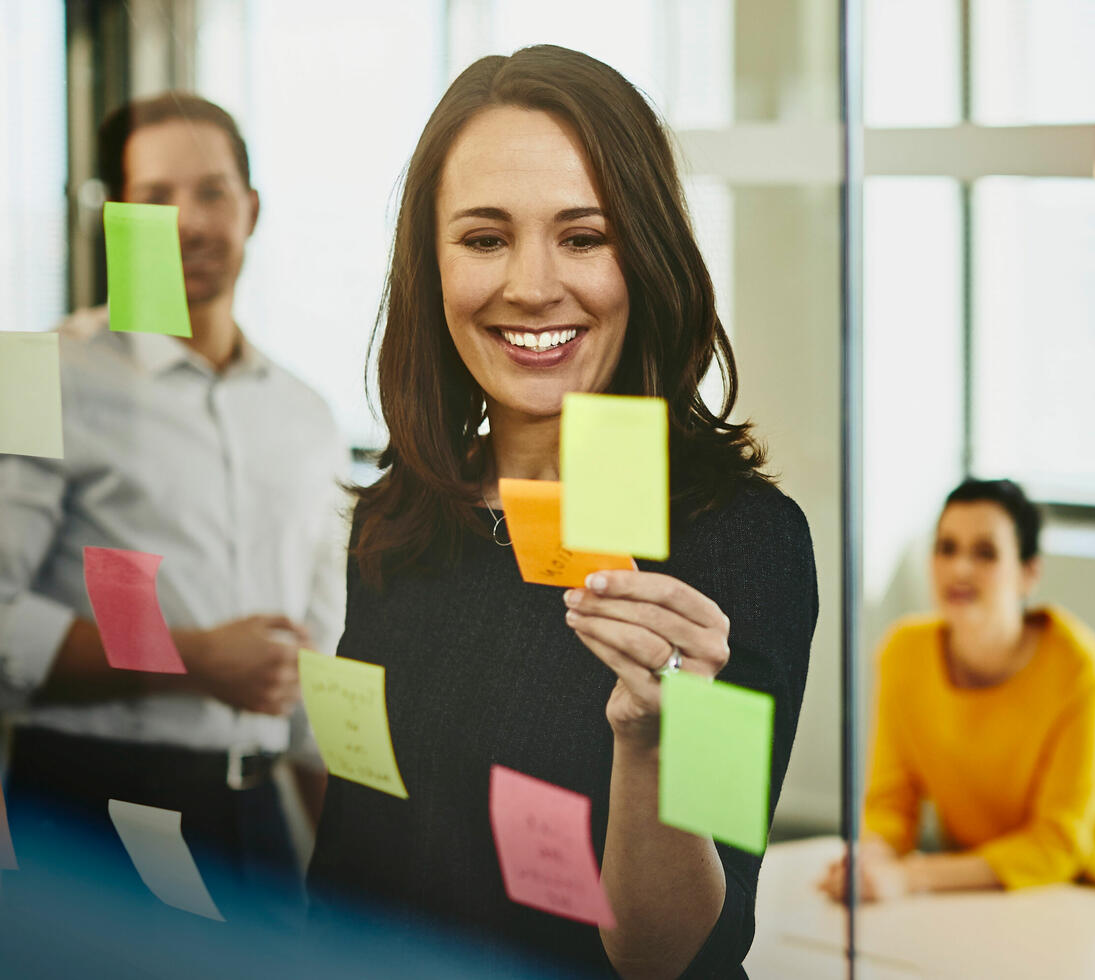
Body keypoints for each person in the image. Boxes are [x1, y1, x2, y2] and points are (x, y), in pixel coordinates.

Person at [303, 45, 818, 978]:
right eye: (485, 238)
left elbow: (675, 954)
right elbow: (354, 856)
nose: (532, 286)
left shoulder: (737, 544)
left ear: (647, 257)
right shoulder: (403, 517)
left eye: (583, 237)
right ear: (431, 265)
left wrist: (650, 742)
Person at [0, 93, 347, 912]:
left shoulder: (307, 415)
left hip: (257, 815)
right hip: (86, 816)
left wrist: (351, 880)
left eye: (212, 192)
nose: (188, 222)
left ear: (251, 209)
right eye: (154, 197)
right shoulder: (33, 374)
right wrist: (194, 657)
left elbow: (318, 667)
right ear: (114, 216)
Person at [819, 478, 1095, 903]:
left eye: (985, 553)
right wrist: (870, 861)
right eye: (947, 548)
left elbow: (1056, 845)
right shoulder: (903, 652)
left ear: (1029, 573)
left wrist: (910, 877)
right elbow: (891, 804)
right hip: (1000, 895)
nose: (959, 568)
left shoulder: (1079, 666)